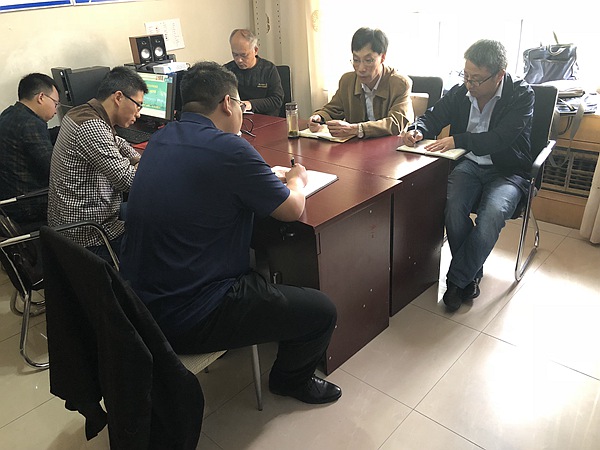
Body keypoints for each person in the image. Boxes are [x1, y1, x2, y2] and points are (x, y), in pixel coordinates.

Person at [120, 61, 342, 405]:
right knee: (322, 311)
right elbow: (292, 209)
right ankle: (290, 381)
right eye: (240, 104)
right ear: (227, 103)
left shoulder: (161, 138)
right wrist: (296, 180)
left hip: (140, 305)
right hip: (190, 315)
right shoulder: (230, 148)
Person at [400, 39, 535, 312]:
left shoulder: (521, 95)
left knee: (492, 214)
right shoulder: (462, 91)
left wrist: (458, 140)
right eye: (466, 75)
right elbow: (434, 116)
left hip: (508, 171)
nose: (469, 84)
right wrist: (417, 129)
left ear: (499, 75)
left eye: (476, 79)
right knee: (452, 207)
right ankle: (470, 275)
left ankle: (457, 280)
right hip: (468, 165)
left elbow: (501, 138)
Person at [48, 66, 147, 261]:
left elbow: (117, 142)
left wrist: (138, 160)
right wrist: (146, 165)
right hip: (91, 235)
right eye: (138, 105)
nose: (139, 114)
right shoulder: (92, 126)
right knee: (157, 234)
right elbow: (129, 181)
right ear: (118, 97)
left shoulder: (80, 113)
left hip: (70, 226)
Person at [308, 27, 413, 139]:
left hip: (391, 147)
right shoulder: (347, 81)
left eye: (368, 60)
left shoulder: (399, 84)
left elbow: (396, 123)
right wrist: (319, 118)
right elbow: (332, 110)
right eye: (356, 60)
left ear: (382, 57)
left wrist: (357, 129)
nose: (361, 69)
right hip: (357, 147)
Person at [0, 73, 60, 230]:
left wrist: (65, 130)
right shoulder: (31, 124)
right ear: (41, 97)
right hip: (29, 205)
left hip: (8, 202)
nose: (55, 111)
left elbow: (36, 139)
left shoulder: (9, 114)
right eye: (55, 103)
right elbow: (54, 170)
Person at [224, 28, 284, 116]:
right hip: (237, 119)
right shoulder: (227, 71)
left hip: (266, 118)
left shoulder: (268, 69)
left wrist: (250, 104)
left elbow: (277, 100)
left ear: (255, 50)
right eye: (235, 55)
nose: (239, 60)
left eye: (244, 55)